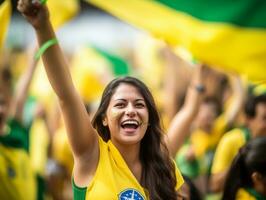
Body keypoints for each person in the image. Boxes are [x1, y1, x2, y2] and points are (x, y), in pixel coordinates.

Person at [17, 1, 185, 199]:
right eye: (120, 104)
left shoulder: (164, 166)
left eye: (139, 105)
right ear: (104, 118)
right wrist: (43, 27)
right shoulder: (91, 155)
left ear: (148, 119)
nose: (130, 110)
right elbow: (66, 94)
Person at [0, 50, 38, 199]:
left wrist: (33, 58)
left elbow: (22, 93)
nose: (1, 110)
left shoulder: (16, 129)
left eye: (2, 103)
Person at [210, 93, 266, 193]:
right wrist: (241, 160)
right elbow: (215, 186)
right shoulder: (232, 140)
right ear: (248, 120)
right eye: (264, 118)